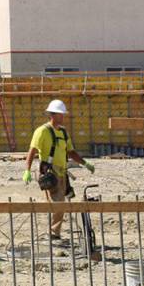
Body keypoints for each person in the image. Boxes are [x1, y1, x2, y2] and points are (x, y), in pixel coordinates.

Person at [22, 99, 94, 239]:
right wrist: (27, 170)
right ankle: (54, 234)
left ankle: (55, 231)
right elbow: (32, 151)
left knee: (62, 200)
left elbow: (71, 152)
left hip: (62, 172)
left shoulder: (63, 133)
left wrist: (85, 164)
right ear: (52, 115)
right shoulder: (42, 131)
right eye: (60, 114)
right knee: (59, 202)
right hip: (48, 172)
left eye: (63, 114)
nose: (62, 117)